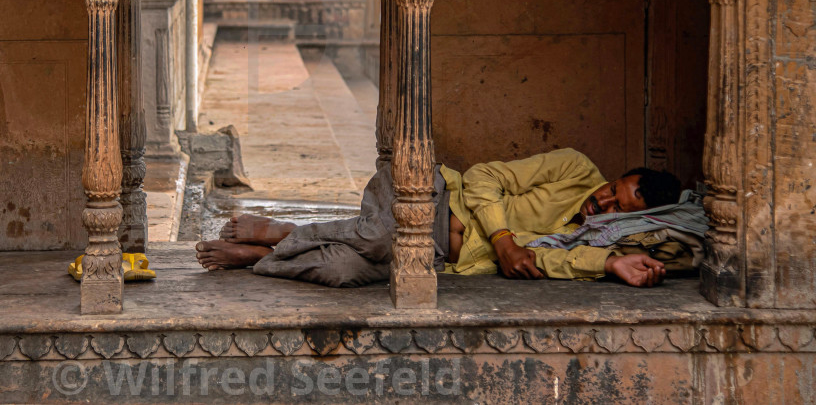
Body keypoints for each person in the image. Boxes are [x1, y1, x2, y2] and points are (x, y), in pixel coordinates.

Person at [195, 148, 686, 288]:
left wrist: (608, 265)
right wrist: (503, 239)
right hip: (423, 191)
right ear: (614, 177)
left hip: (429, 256)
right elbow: (485, 177)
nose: (605, 205)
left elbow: (555, 263)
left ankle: (261, 258)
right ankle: (285, 230)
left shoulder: (597, 239)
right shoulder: (575, 168)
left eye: (620, 209)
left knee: (343, 270)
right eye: (613, 192)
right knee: (379, 235)